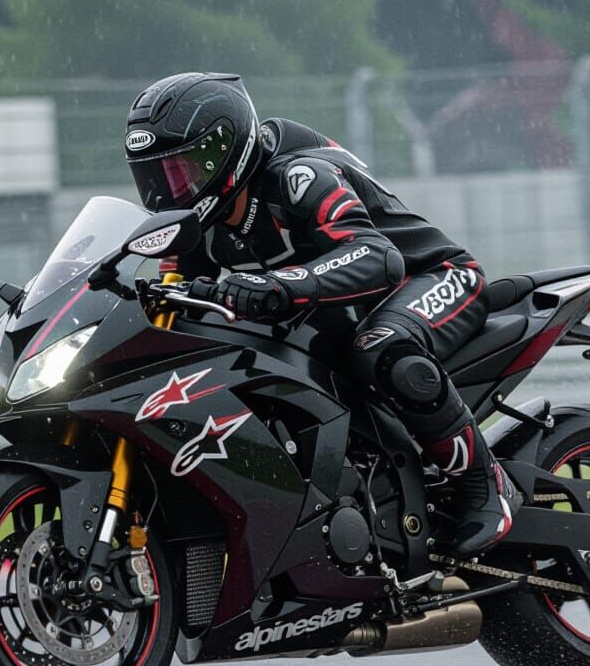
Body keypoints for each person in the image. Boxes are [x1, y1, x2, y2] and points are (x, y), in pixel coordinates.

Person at [125, 72, 520, 555]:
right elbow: (171, 294)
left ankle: (487, 485)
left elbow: (378, 257)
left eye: (181, 171)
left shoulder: (297, 176)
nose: (170, 192)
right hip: (342, 309)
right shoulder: (196, 226)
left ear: (221, 152)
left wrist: (276, 286)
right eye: (156, 177)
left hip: (434, 277)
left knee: (383, 351)